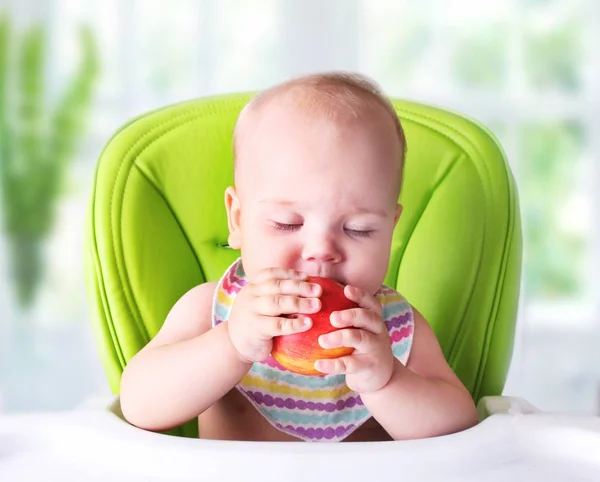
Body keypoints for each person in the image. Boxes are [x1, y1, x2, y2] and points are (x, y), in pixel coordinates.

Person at [120, 72, 479, 442]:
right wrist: (231, 345)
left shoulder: (393, 328)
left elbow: (459, 426)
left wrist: (387, 381)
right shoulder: (212, 311)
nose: (321, 250)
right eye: (287, 223)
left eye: (358, 229)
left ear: (390, 229)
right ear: (238, 219)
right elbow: (139, 403)